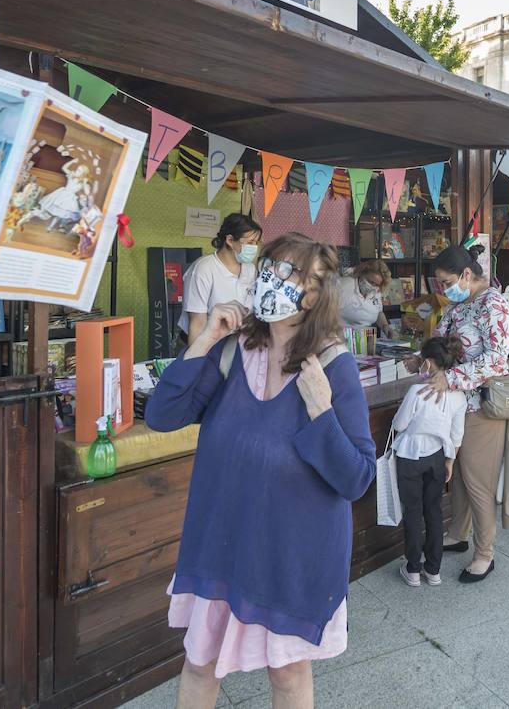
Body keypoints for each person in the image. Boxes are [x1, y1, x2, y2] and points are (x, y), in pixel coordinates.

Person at [145, 233, 375, 706]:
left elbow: (356, 477)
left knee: (287, 675)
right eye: (270, 267)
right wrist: (205, 337)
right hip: (222, 542)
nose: (274, 279)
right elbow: (162, 415)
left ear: (316, 295)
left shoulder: (333, 366)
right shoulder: (232, 351)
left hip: (292, 552)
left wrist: (322, 413)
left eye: (291, 273)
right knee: (199, 663)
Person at [421, 243, 509, 583]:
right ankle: (458, 533)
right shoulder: (459, 304)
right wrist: (425, 360)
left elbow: (495, 360)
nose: (443, 289)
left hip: (482, 405)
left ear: (466, 275)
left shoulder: (493, 304)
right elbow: (441, 341)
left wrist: (449, 377)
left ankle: (485, 553)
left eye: (446, 281)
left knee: (478, 480)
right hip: (456, 405)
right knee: (459, 476)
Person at [390, 335, 467, 587]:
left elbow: (399, 424)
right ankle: (433, 570)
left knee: (412, 512)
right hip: (437, 458)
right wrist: (450, 462)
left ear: (430, 363)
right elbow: (457, 434)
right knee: (433, 512)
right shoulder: (458, 396)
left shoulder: (416, 391)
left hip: (410, 457)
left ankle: (413, 569)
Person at [178, 214, 262, 341]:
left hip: (236, 344)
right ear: (230, 240)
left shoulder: (251, 270)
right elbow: (197, 324)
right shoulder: (203, 269)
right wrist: (197, 358)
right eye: (250, 242)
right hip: (205, 343)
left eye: (257, 242)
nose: (254, 247)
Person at [337, 259, 394, 336]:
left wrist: (385, 326)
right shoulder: (344, 286)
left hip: (365, 339)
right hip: (342, 338)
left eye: (376, 284)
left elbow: (378, 311)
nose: (372, 286)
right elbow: (325, 313)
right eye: (371, 282)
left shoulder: (376, 291)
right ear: (362, 273)